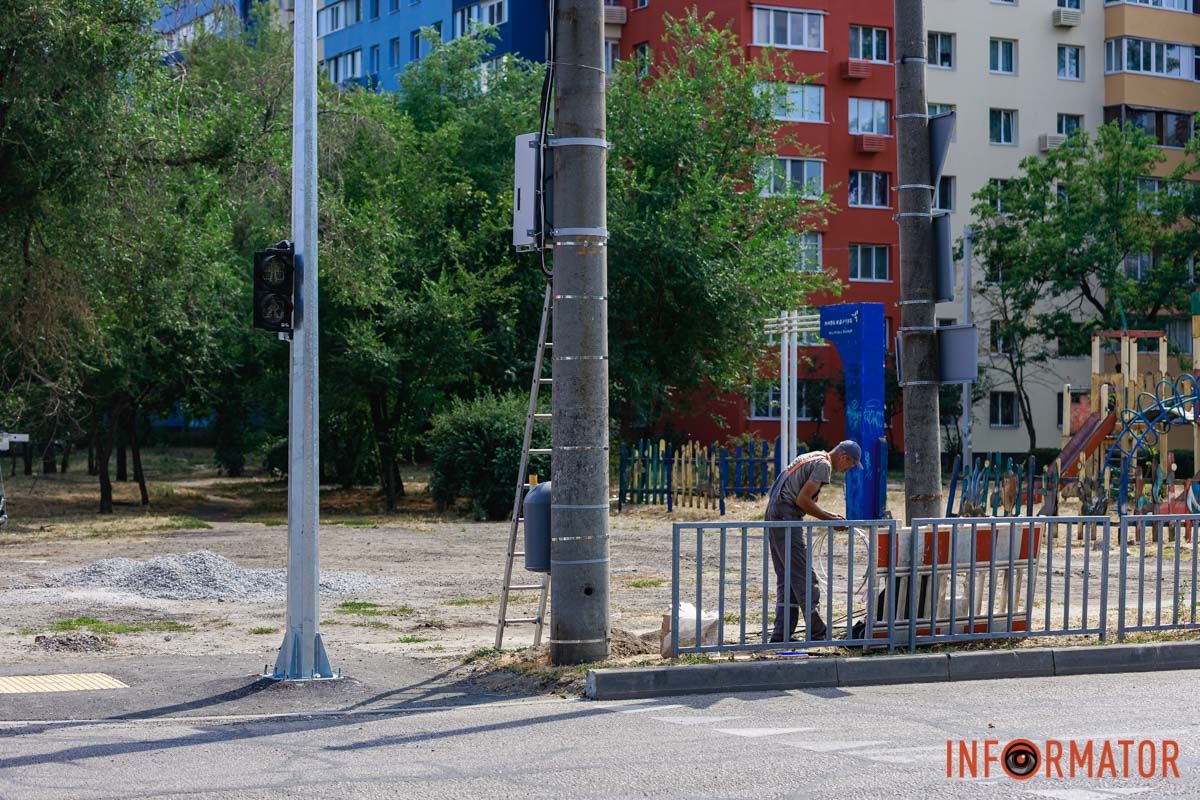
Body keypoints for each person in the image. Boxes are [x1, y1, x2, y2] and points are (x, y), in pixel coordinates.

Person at [765, 440, 862, 643]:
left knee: (788, 577)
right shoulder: (824, 465)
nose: (848, 470)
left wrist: (830, 516)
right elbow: (802, 500)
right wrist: (830, 520)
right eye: (851, 464)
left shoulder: (814, 455)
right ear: (844, 457)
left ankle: (781, 635)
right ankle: (818, 634)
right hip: (786, 516)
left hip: (775, 513)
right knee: (804, 577)